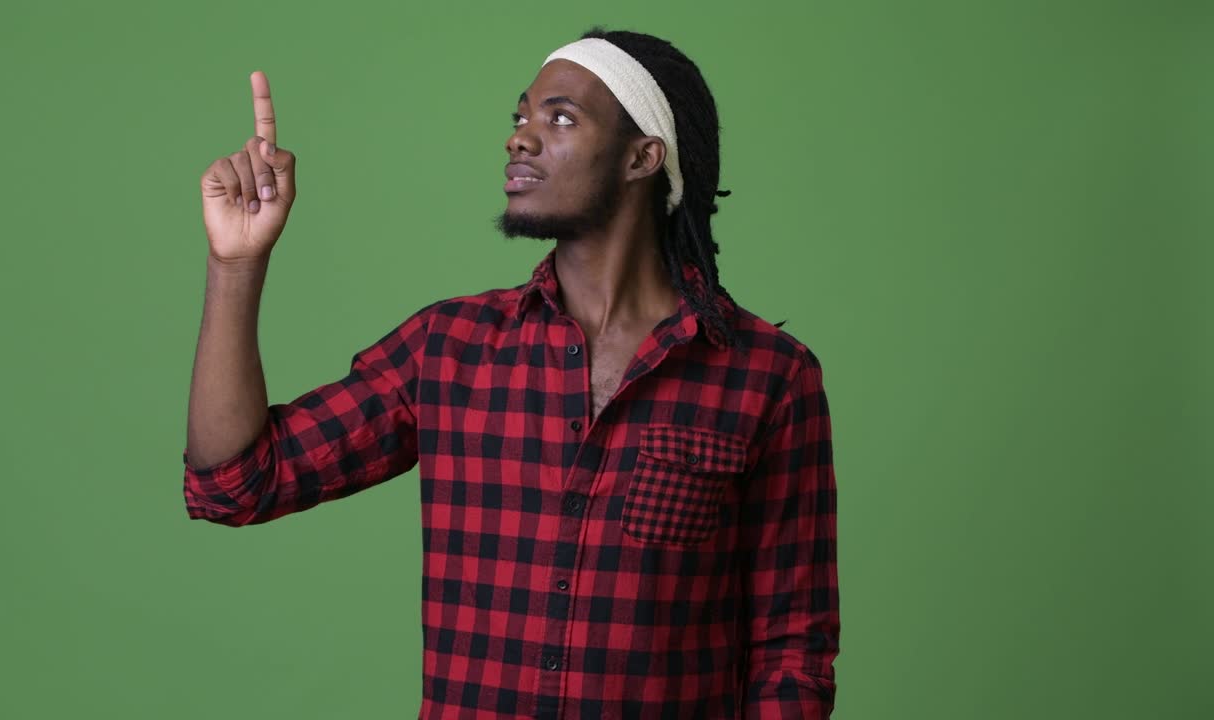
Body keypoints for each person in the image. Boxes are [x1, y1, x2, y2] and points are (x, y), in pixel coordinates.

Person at [184, 26, 840, 720]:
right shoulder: (448, 349)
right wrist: (236, 263)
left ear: (643, 157)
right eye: (521, 116)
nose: (519, 138)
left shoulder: (768, 376)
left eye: (561, 118)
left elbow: (792, 652)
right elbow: (235, 483)